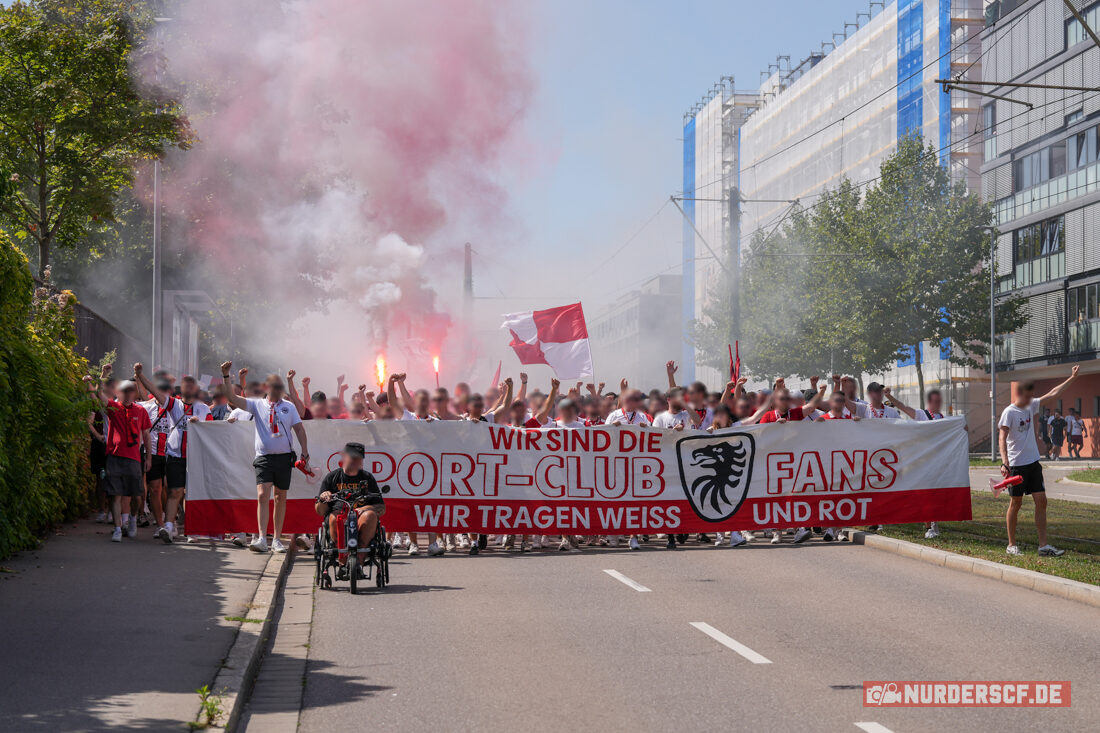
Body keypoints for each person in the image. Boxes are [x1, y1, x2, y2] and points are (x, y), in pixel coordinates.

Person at [220, 361, 310, 553]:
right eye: (273, 386)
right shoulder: (257, 404)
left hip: (284, 457)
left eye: (279, 386)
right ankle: (261, 538)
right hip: (264, 457)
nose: (276, 390)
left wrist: (305, 451)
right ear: (267, 388)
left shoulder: (289, 407)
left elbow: (299, 429)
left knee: (280, 497)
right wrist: (226, 376)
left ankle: (276, 539)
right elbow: (232, 398)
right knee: (262, 495)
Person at [997, 366, 1080, 557]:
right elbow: (1002, 438)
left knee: (1042, 501)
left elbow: (1052, 393)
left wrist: (1072, 378)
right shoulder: (1009, 412)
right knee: (1016, 504)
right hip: (1016, 465)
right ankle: (1011, 545)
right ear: (1019, 394)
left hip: (1033, 463)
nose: (1031, 399)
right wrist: (1005, 462)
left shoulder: (1031, 405)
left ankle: (1043, 546)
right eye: (1028, 396)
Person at [134, 367, 213, 543]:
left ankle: (192, 529)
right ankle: (169, 527)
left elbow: (211, 433)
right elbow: (154, 391)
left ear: (196, 389)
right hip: (175, 456)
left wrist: (200, 424)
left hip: (195, 458)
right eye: (186, 384)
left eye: (192, 384)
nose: (189, 386)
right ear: (181, 388)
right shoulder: (173, 404)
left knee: (192, 494)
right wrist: (140, 375)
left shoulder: (203, 409)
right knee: (174, 491)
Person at [86, 375, 152, 542]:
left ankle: (133, 520)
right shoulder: (113, 407)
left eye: (131, 391)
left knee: (137, 495)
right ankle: (117, 528)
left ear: (135, 393)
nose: (127, 394)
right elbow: (99, 395)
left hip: (134, 458)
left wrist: (149, 458)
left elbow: (146, 435)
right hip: (114, 457)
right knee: (115, 495)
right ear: (119, 393)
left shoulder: (141, 411)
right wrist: (94, 380)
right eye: (124, 391)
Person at [314, 442, 386, 578]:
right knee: (336, 518)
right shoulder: (332, 477)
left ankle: (359, 562)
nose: (355, 461)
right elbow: (320, 511)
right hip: (339, 515)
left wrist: (365, 509)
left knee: (370, 516)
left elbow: (381, 507)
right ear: (344, 457)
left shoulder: (368, 478)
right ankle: (343, 563)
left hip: (361, 516)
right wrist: (323, 499)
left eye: (358, 459)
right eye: (352, 458)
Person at [885, 387, 945, 538]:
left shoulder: (943, 418)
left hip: (938, 461)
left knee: (937, 494)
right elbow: (903, 407)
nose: (938, 404)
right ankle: (928, 526)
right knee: (926, 494)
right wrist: (889, 397)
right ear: (929, 402)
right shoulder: (921, 415)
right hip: (924, 461)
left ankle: (935, 523)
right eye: (935, 401)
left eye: (939, 401)